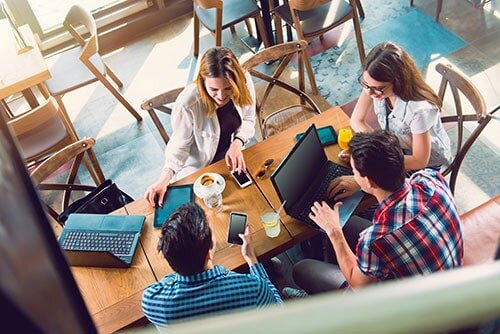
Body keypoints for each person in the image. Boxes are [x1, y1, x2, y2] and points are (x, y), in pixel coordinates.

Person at [288, 130, 463, 295]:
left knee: (302, 269)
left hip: (418, 308)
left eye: (354, 172)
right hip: (448, 276)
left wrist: (333, 230)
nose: (353, 175)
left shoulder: (375, 239)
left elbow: (359, 286)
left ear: (369, 181)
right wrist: (363, 181)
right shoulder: (430, 179)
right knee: (347, 222)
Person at [144, 47, 256, 206]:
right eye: (214, 89)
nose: (222, 96)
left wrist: (238, 142)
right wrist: (164, 178)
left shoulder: (244, 80)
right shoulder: (188, 103)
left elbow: (249, 118)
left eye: (228, 88)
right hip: (198, 169)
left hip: (230, 157)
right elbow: (179, 147)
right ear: (202, 83)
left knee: (250, 199)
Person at [142, 202, 282, 328]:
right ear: (209, 254)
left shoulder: (152, 301)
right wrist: (251, 258)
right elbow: (279, 311)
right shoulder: (254, 288)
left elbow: (166, 282)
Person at [350, 41, 452, 171]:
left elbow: (419, 161)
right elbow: (356, 120)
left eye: (378, 88)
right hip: (396, 149)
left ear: (398, 81)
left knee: (365, 181)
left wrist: (375, 158)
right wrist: (374, 149)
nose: (369, 92)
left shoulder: (419, 110)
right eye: (365, 84)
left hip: (425, 165)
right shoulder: (372, 86)